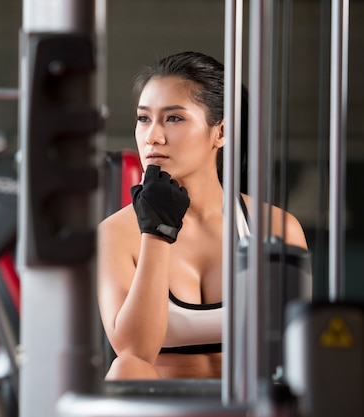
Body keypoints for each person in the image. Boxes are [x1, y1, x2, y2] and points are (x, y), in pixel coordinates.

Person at [97, 51, 309, 380]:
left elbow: (296, 350)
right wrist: (156, 232)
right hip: (162, 411)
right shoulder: (115, 233)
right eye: (144, 118)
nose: (153, 136)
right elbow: (134, 354)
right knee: (125, 369)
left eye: (174, 118)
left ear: (221, 132)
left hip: (251, 408)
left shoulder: (277, 227)